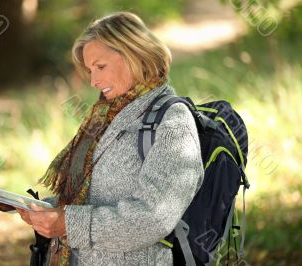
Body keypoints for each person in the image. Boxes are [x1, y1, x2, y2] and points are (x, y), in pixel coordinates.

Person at [17, 11, 204, 265]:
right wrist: (48, 211)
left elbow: (153, 217)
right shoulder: (107, 116)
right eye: (90, 70)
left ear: (134, 55)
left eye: (100, 67)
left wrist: (68, 224)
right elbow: (90, 196)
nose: (93, 81)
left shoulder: (172, 123)